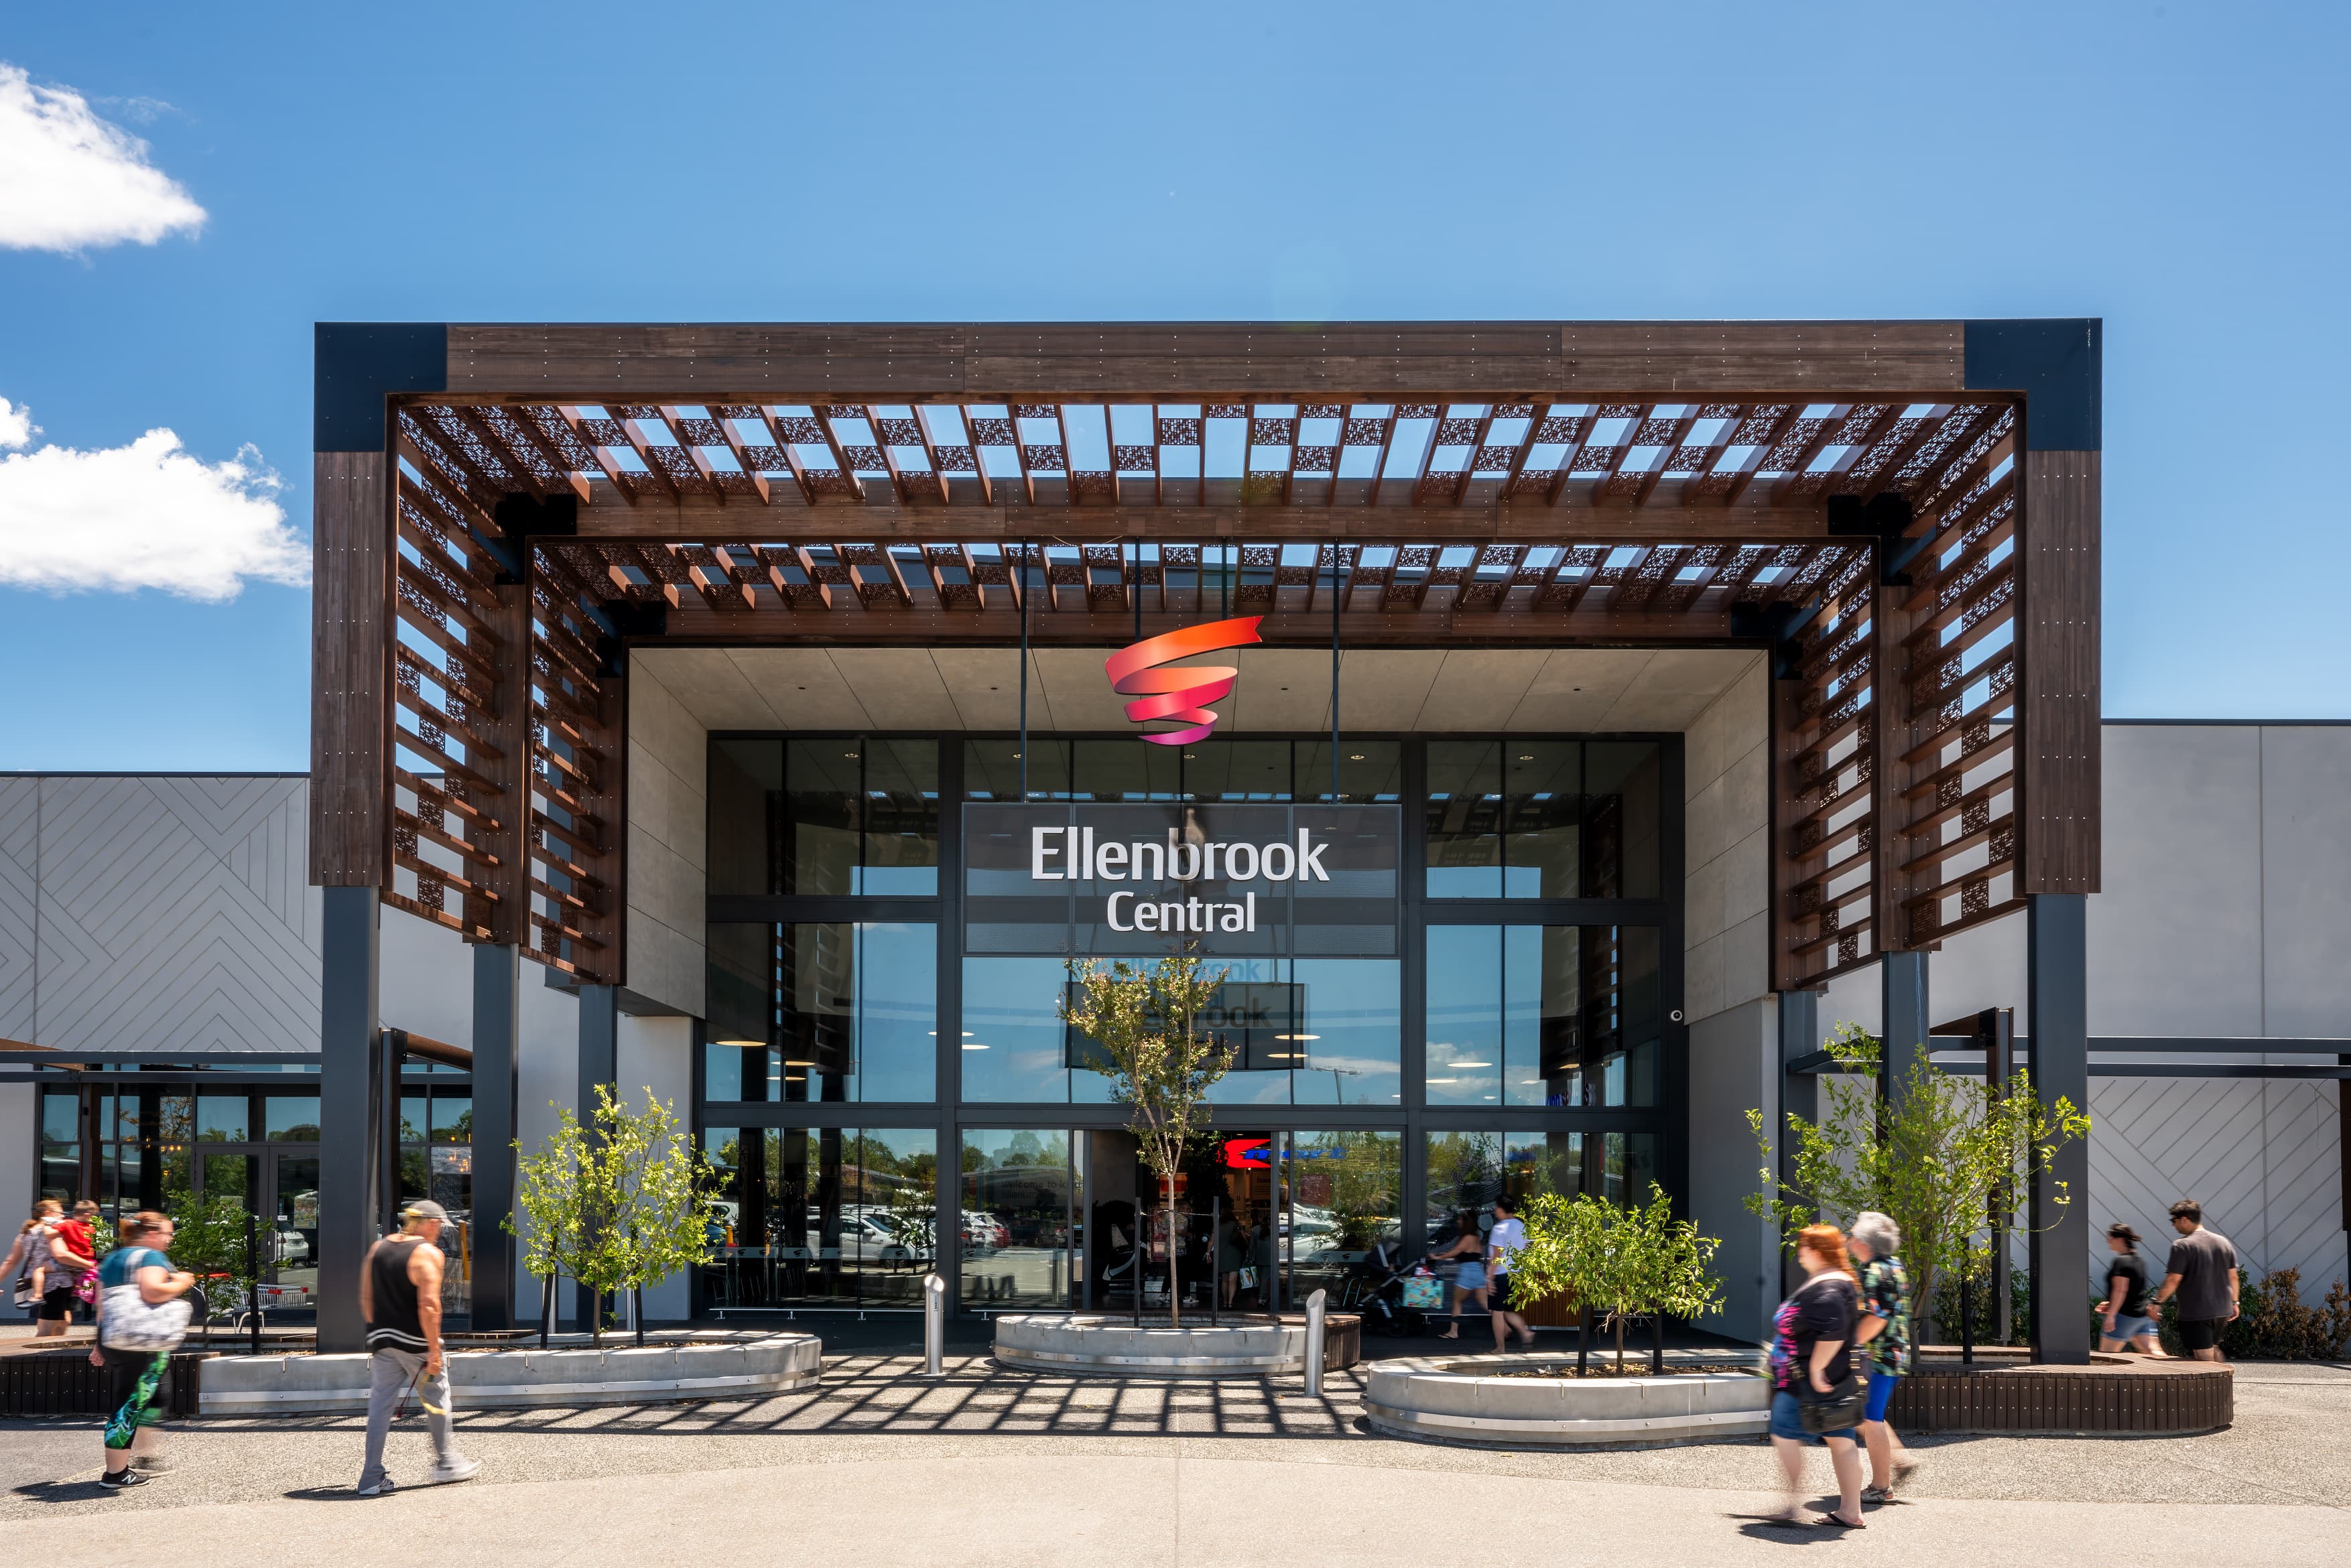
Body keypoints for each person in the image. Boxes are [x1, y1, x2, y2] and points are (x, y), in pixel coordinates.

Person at [356, 1200, 480, 1495]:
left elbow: (365, 1298)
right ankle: (446, 1463)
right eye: (438, 1225)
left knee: (380, 1407)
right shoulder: (427, 1253)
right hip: (417, 1343)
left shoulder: (378, 1249)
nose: (439, 1232)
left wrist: (383, 1330)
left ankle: (371, 1477)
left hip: (383, 1341)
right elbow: (428, 1304)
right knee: (437, 1400)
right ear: (428, 1223)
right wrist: (434, 1351)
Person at [1767, 1224, 1866, 1530]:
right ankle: (1850, 1511)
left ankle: (1791, 1503)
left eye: (1803, 1247)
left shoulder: (1827, 1286)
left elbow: (1833, 1332)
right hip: (1829, 1379)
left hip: (1805, 1383)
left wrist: (1815, 1368)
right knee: (1841, 1440)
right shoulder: (1836, 1280)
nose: (1799, 1253)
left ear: (1814, 1250)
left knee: (1784, 1435)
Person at [89, 1211, 195, 1490]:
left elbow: (101, 1305)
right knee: (128, 1405)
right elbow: (153, 1291)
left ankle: (142, 1458)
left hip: (117, 1340)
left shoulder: (113, 1259)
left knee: (153, 1395)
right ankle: (116, 1473)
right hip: (142, 1343)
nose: (170, 1239)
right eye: (167, 1234)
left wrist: (98, 1343)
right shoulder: (150, 1257)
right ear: (151, 1235)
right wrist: (183, 1281)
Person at [1847, 1212, 1919, 1504]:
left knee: (1870, 1419)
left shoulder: (1874, 1270)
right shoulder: (1894, 1266)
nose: (1850, 1240)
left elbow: (1877, 1317)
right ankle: (1897, 1464)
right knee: (1868, 1415)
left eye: (1854, 1235)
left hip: (1881, 1357)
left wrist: (1849, 1343)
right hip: (1895, 1353)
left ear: (1865, 1243)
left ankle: (1881, 1486)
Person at [2149, 1200, 2238, 1362]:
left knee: (2203, 1355)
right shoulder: (2223, 1242)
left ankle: (2215, 1386)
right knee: (2212, 1348)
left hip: (2197, 1310)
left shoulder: (2182, 1246)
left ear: (2184, 1219)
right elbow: (2233, 1277)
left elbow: (2173, 1280)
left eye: (2174, 1221)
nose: (2173, 1226)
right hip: (2221, 1309)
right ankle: (2223, 1384)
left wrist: (2157, 1302)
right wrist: (2235, 1303)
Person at [4, 1199, 80, 1336]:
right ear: (48, 1213)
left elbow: (10, 1261)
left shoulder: (25, 1234)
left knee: (63, 1321)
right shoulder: (52, 1231)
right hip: (56, 1283)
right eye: (60, 1212)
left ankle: (56, 1352)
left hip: (42, 1283)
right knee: (47, 1327)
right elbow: (61, 1255)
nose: (63, 1216)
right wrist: (87, 1264)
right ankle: (39, 1356)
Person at [2099, 1224, 2165, 1355]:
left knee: (2106, 1357)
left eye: (2110, 1238)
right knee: (2153, 1352)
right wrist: (2111, 1304)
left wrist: (2111, 1316)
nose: (2108, 1241)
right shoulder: (2139, 1261)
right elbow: (2134, 1291)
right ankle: (2174, 1373)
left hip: (2125, 1316)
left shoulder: (2121, 1261)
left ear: (2120, 1240)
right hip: (2143, 1315)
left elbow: (2121, 1290)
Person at [1486, 1195, 1535, 1352]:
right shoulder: (1521, 1226)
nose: (1495, 1211)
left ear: (1500, 1209)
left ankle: (1500, 1347)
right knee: (1508, 1310)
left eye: (1496, 1208)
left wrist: (1489, 1279)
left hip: (1500, 1274)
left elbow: (1496, 1256)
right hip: (1515, 1274)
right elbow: (1526, 1249)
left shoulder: (1499, 1228)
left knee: (1497, 1313)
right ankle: (1526, 1333)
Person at [1428, 1212, 1487, 1340]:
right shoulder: (1476, 1238)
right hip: (1478, 1272)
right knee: (1486, 1304)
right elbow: (1468, 1254)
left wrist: (1437, 1256)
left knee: (1457, 1302)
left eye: (1460, 1220)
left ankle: (1453, 1332)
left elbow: (1455, 1252)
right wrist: (1450, 1254)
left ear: (1466, 1223)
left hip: (1467, 1273)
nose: (1458, 1222)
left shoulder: (1467, 1238)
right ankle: (1505, 1328)